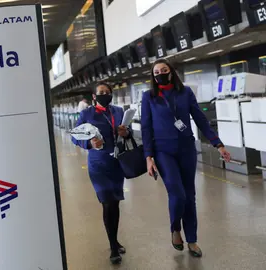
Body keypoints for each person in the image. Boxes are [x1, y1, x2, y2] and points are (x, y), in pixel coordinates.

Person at [141, 59, 231, 258]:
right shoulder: (149, 97)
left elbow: (200, 119)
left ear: (171, 72)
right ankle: (175, 229)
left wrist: (218, 144)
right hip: (163, 151)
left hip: (186, 149)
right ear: (153, 76)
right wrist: (148, 157)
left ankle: (192, 239)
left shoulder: (185, 92)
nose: (161, 74)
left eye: (164, 70)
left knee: (189, 196)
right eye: (157, 72)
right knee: (177, 193)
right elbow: (146, 128)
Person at [72, 82, 130, 265]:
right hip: (99, 164)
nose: (105, 94)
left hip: (116, 162)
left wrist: (126, 132)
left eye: (108, 92)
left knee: (115, 203)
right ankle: (113, 247)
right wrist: (89, 144)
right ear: (94, 97)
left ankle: (115, 239)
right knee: (107, 203)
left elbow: (126, 133)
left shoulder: (118, 111)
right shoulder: (87, 114)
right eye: (101, 93)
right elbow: (75, 135)